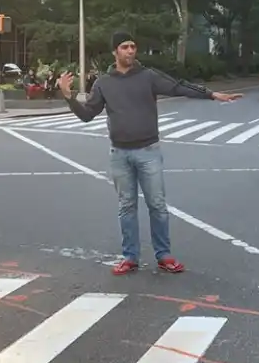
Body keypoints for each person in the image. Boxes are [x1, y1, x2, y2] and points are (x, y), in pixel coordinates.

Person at [58, 31, 242, 276]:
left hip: (148, 151)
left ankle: (163, 255)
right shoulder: (104, 83)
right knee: (127, 207)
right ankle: (130, 257)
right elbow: (87, 115)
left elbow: (178, 87)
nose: (131, 50)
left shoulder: (148, 76)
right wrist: (68, 96)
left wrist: (211, 94)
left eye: (133, 46)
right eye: (125, 47)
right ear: (115, 51)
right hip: (120, 154)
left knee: (157, 205)